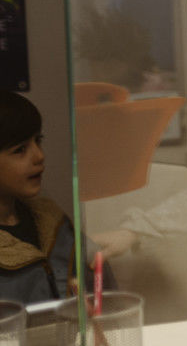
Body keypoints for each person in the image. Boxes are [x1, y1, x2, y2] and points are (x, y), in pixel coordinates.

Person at [0, 92, 109, 302]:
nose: (39, 156)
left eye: (38, 140)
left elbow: (99, 287)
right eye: (20, 149)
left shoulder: (50, 218)